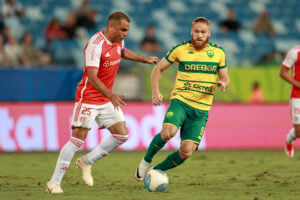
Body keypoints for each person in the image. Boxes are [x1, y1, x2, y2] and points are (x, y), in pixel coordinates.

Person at [45, 12, 159, 194]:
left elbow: (123, 52)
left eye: (127, 30)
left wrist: (143, 59)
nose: (125, 34)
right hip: (89, 97)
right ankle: (54, 182)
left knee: (121, 135)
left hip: (105, 98)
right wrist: (111, 95)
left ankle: (86, 161)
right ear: (111, 26)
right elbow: (92, 76)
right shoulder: (95, 45)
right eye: (123, 30)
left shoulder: (119, 40)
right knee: (77, 139)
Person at [135, 17, 230, 181]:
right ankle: (146, 160)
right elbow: (158, 69)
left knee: (186, 151)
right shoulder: (180, 50)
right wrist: (155, 92)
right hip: (181, 101)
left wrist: (223, 82)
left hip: (201, 109)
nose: (200, 35)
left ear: (209, 33)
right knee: (167, 133)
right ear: (191, 32)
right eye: (197, 31)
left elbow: (226, 77)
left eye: (203, 32)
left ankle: (155, 172)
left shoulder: (218, 53)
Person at [279, 45, 300, 158]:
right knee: (298, 132)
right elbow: (282, 73)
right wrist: (297, 84)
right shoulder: (295, 52)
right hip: (297, 96)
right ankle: (289, 139)